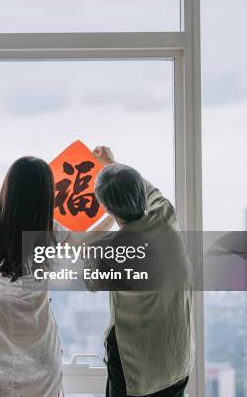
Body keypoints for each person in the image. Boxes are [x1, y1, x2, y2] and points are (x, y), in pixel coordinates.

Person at [0, 156, 113, 397]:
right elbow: (89, 240)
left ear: (7, 187)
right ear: (45, 196)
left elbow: (5, 222)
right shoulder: (50, 234)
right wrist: (110, 210)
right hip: (40, 356)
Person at [90, 146, 194, 397]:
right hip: (176, 361)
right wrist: (112, 163)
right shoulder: (166, 216)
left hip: (137, 370)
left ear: (105, 207)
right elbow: (149, 190)